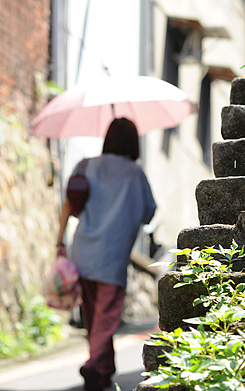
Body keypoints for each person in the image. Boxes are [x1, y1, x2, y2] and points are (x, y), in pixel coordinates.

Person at [56, 118, 157, 391]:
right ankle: (92, 365)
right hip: (112, 256)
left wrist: (59, 242)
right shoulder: (135, 174)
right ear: (133, 142)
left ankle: (103, 371)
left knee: (93, 318)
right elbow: (149, 212)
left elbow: (70, 205)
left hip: (83, 251)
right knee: (107, 317)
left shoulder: (85, 165)